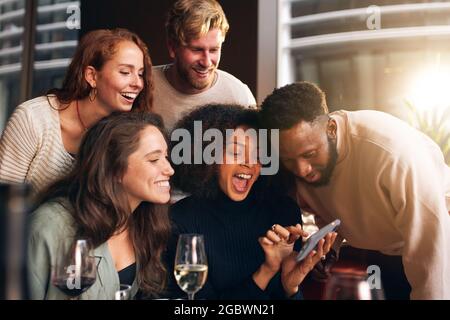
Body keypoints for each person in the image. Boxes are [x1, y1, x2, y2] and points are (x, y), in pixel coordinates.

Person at [259, 81, 450, 300]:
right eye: (290, 160)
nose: (302, 170)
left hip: (440, 243)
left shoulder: (393, 155)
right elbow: (336, 208)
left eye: (310, 154)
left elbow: (432, 258)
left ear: (331, 129)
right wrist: (331, 247)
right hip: (382, 254)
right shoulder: (297, 162)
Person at [165, 104, 336, 299]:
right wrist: (266, 271)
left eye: (258, 154)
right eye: (236, 152)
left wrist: (291, 288)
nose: (249, 162)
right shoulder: (181, 220)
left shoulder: (283, 212)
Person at [27, 112, 174, 300]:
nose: (169, 169)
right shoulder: (49, 225)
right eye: (154, 160)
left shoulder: (145, 222)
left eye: (166, 157)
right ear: (114, 169)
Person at [0, 28, 154, 195]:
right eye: (125, 72)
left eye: (140, 74)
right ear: (92, 76)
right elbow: (4, 200)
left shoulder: (125, 132)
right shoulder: (32, 118)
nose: (138, 83)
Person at [153, 0, 256, 130]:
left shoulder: (239, 96)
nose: (206, 62)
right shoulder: (143, 85)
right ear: (173, 47)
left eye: (214, 50)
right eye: (197, 50)